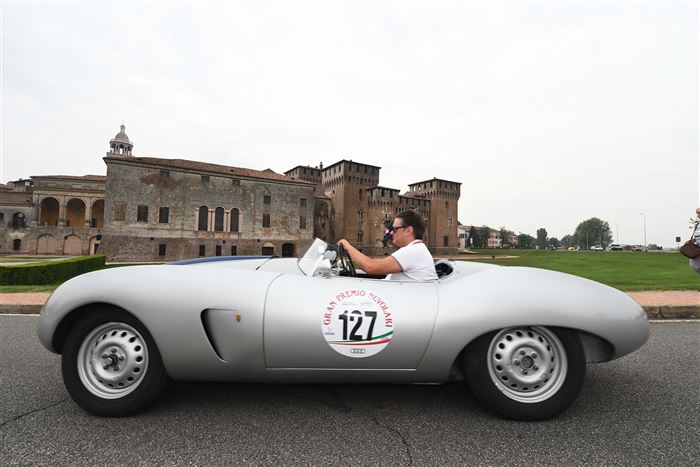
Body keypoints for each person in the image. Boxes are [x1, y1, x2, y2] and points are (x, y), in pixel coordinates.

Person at [337, 210, 438, 281]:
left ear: (408, 230)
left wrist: (347, 246)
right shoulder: (417, 249)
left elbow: (370, 266)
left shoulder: (413, 251)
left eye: (394, 229)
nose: (391, 233)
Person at [690, 207, 700, 275]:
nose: (698, 214)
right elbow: (697, 236)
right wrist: (692, 240)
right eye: (698, 213)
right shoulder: (698, 224)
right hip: (698, 248)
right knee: (694, 264)